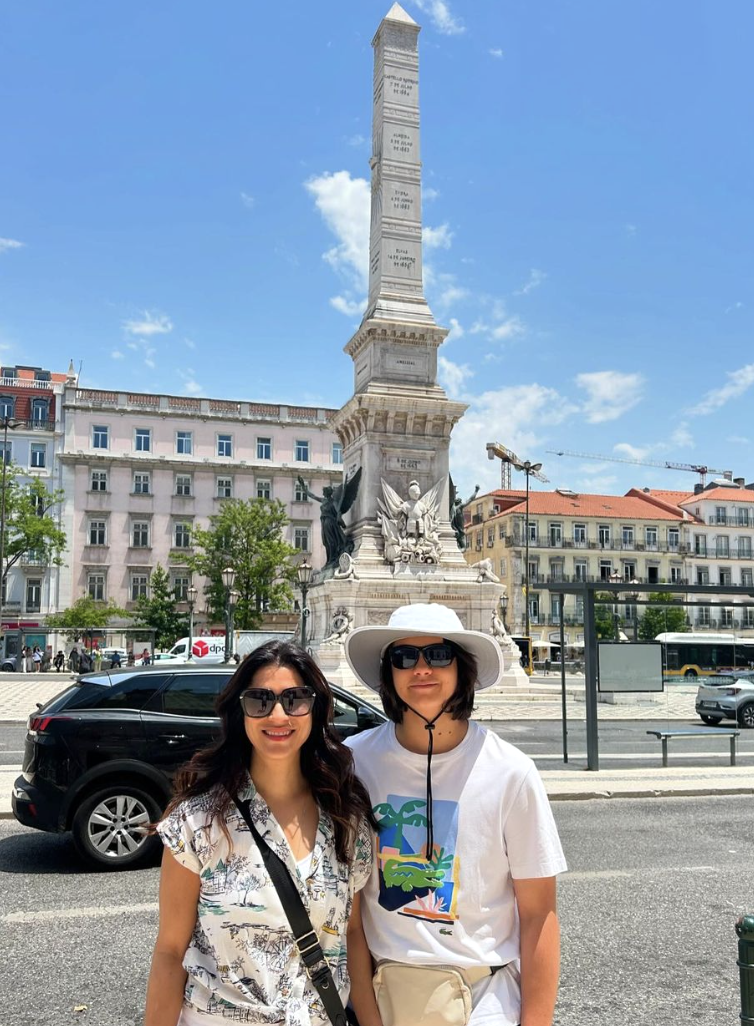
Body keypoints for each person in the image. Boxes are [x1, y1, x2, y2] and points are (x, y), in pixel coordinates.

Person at [343, 603, 567, 1026]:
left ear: (461, 669)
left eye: (439, 655)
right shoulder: (353, 763)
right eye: (404, 657)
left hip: (485, 998)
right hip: (383, 991)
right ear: (388, 673)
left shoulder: (511, 771)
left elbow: (539, 914)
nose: (421, 668)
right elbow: (350, 912)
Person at [144, 640, 376, 1026]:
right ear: (241, 713)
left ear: (314, 709)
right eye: (259, 700)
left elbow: (351, 938)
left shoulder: (346, 819)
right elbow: (170, 950)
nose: (279, 714)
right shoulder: (198, 821)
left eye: (296, 699)